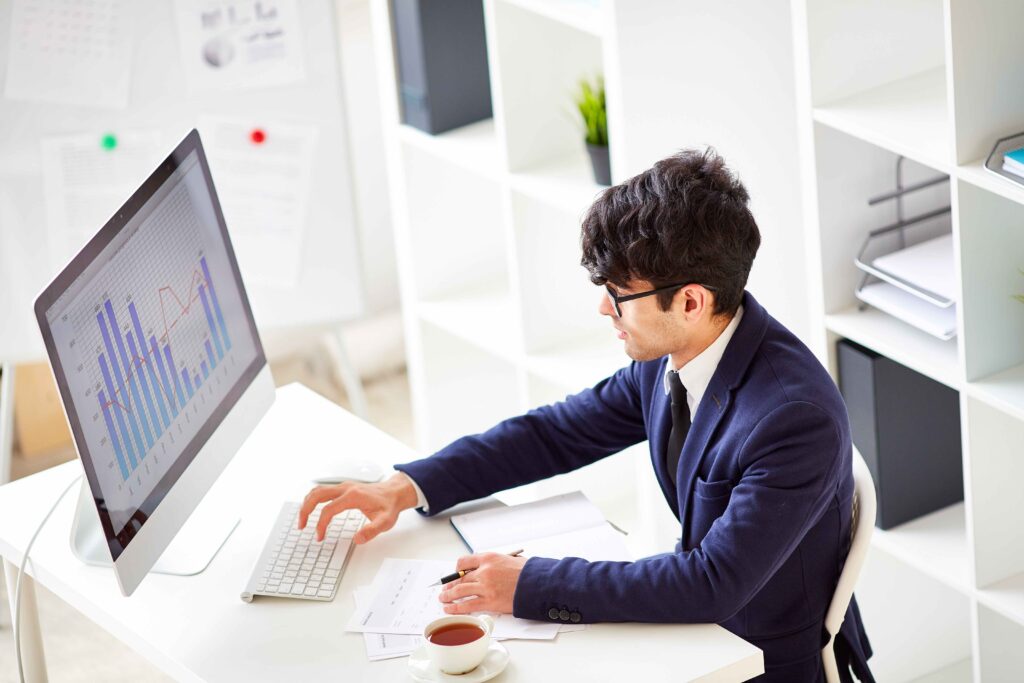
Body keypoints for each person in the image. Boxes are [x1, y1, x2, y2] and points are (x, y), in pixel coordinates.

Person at [299, 148, 874, 682]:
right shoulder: (673, 352)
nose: (604, 306)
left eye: (619, 292)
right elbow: (556, 434)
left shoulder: (793, 418)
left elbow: (712, 584)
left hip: (754, 657)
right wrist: (406, 485)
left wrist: (529, 584)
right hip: (696, 628)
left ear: (691, 301)